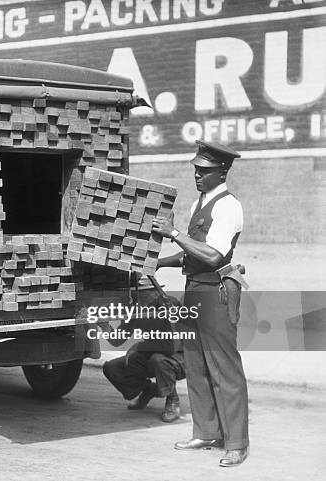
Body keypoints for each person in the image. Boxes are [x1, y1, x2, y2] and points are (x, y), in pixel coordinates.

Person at [152, 140, 249, 467]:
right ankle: (206, 431)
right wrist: (160, 262)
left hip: (216, 292)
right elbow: (191, 251)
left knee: (224, 367)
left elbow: (212, 254)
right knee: (195, 363)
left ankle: (236, 442)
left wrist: (174, 231)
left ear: (222, 171)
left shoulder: (228, 206)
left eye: (204, 171)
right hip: (194, 289)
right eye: (195, 169)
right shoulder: (199, 204)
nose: (197, 175)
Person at [103, 340, 185, 422]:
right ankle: (149, 389)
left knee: (159, 360)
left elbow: (169, 347)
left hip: (185, 356)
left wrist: (139, 346)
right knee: (113, 367)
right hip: (151, 352)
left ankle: (173, 400)